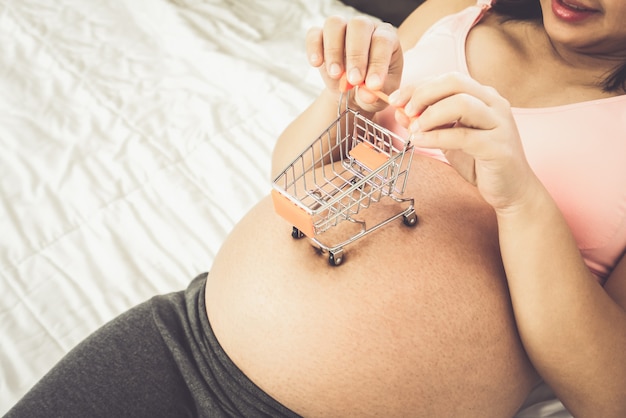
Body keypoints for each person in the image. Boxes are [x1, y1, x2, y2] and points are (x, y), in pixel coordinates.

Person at [5, 0, 626, 416]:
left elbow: (608, 393)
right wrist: (345, 98)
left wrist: (521, 200)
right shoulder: (460, 12)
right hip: (186, 341)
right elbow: (292, 178)